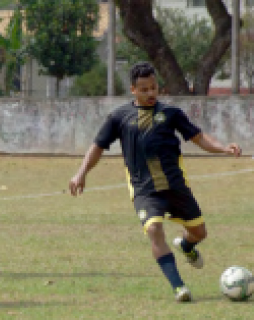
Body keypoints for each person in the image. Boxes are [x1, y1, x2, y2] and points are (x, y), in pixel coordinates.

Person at [69, 62, 242, 302]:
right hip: (144, 189)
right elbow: (97, 147)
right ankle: (179, 287)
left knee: (199, 232)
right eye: (144, 89)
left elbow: (199, 138)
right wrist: (81, 173)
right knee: (153, 229)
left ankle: (186, 245)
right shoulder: (119, 117)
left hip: (175, 186)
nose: (150, 93)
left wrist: (223, 148)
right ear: (133, 90)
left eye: (153, 87)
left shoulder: (171, 114)